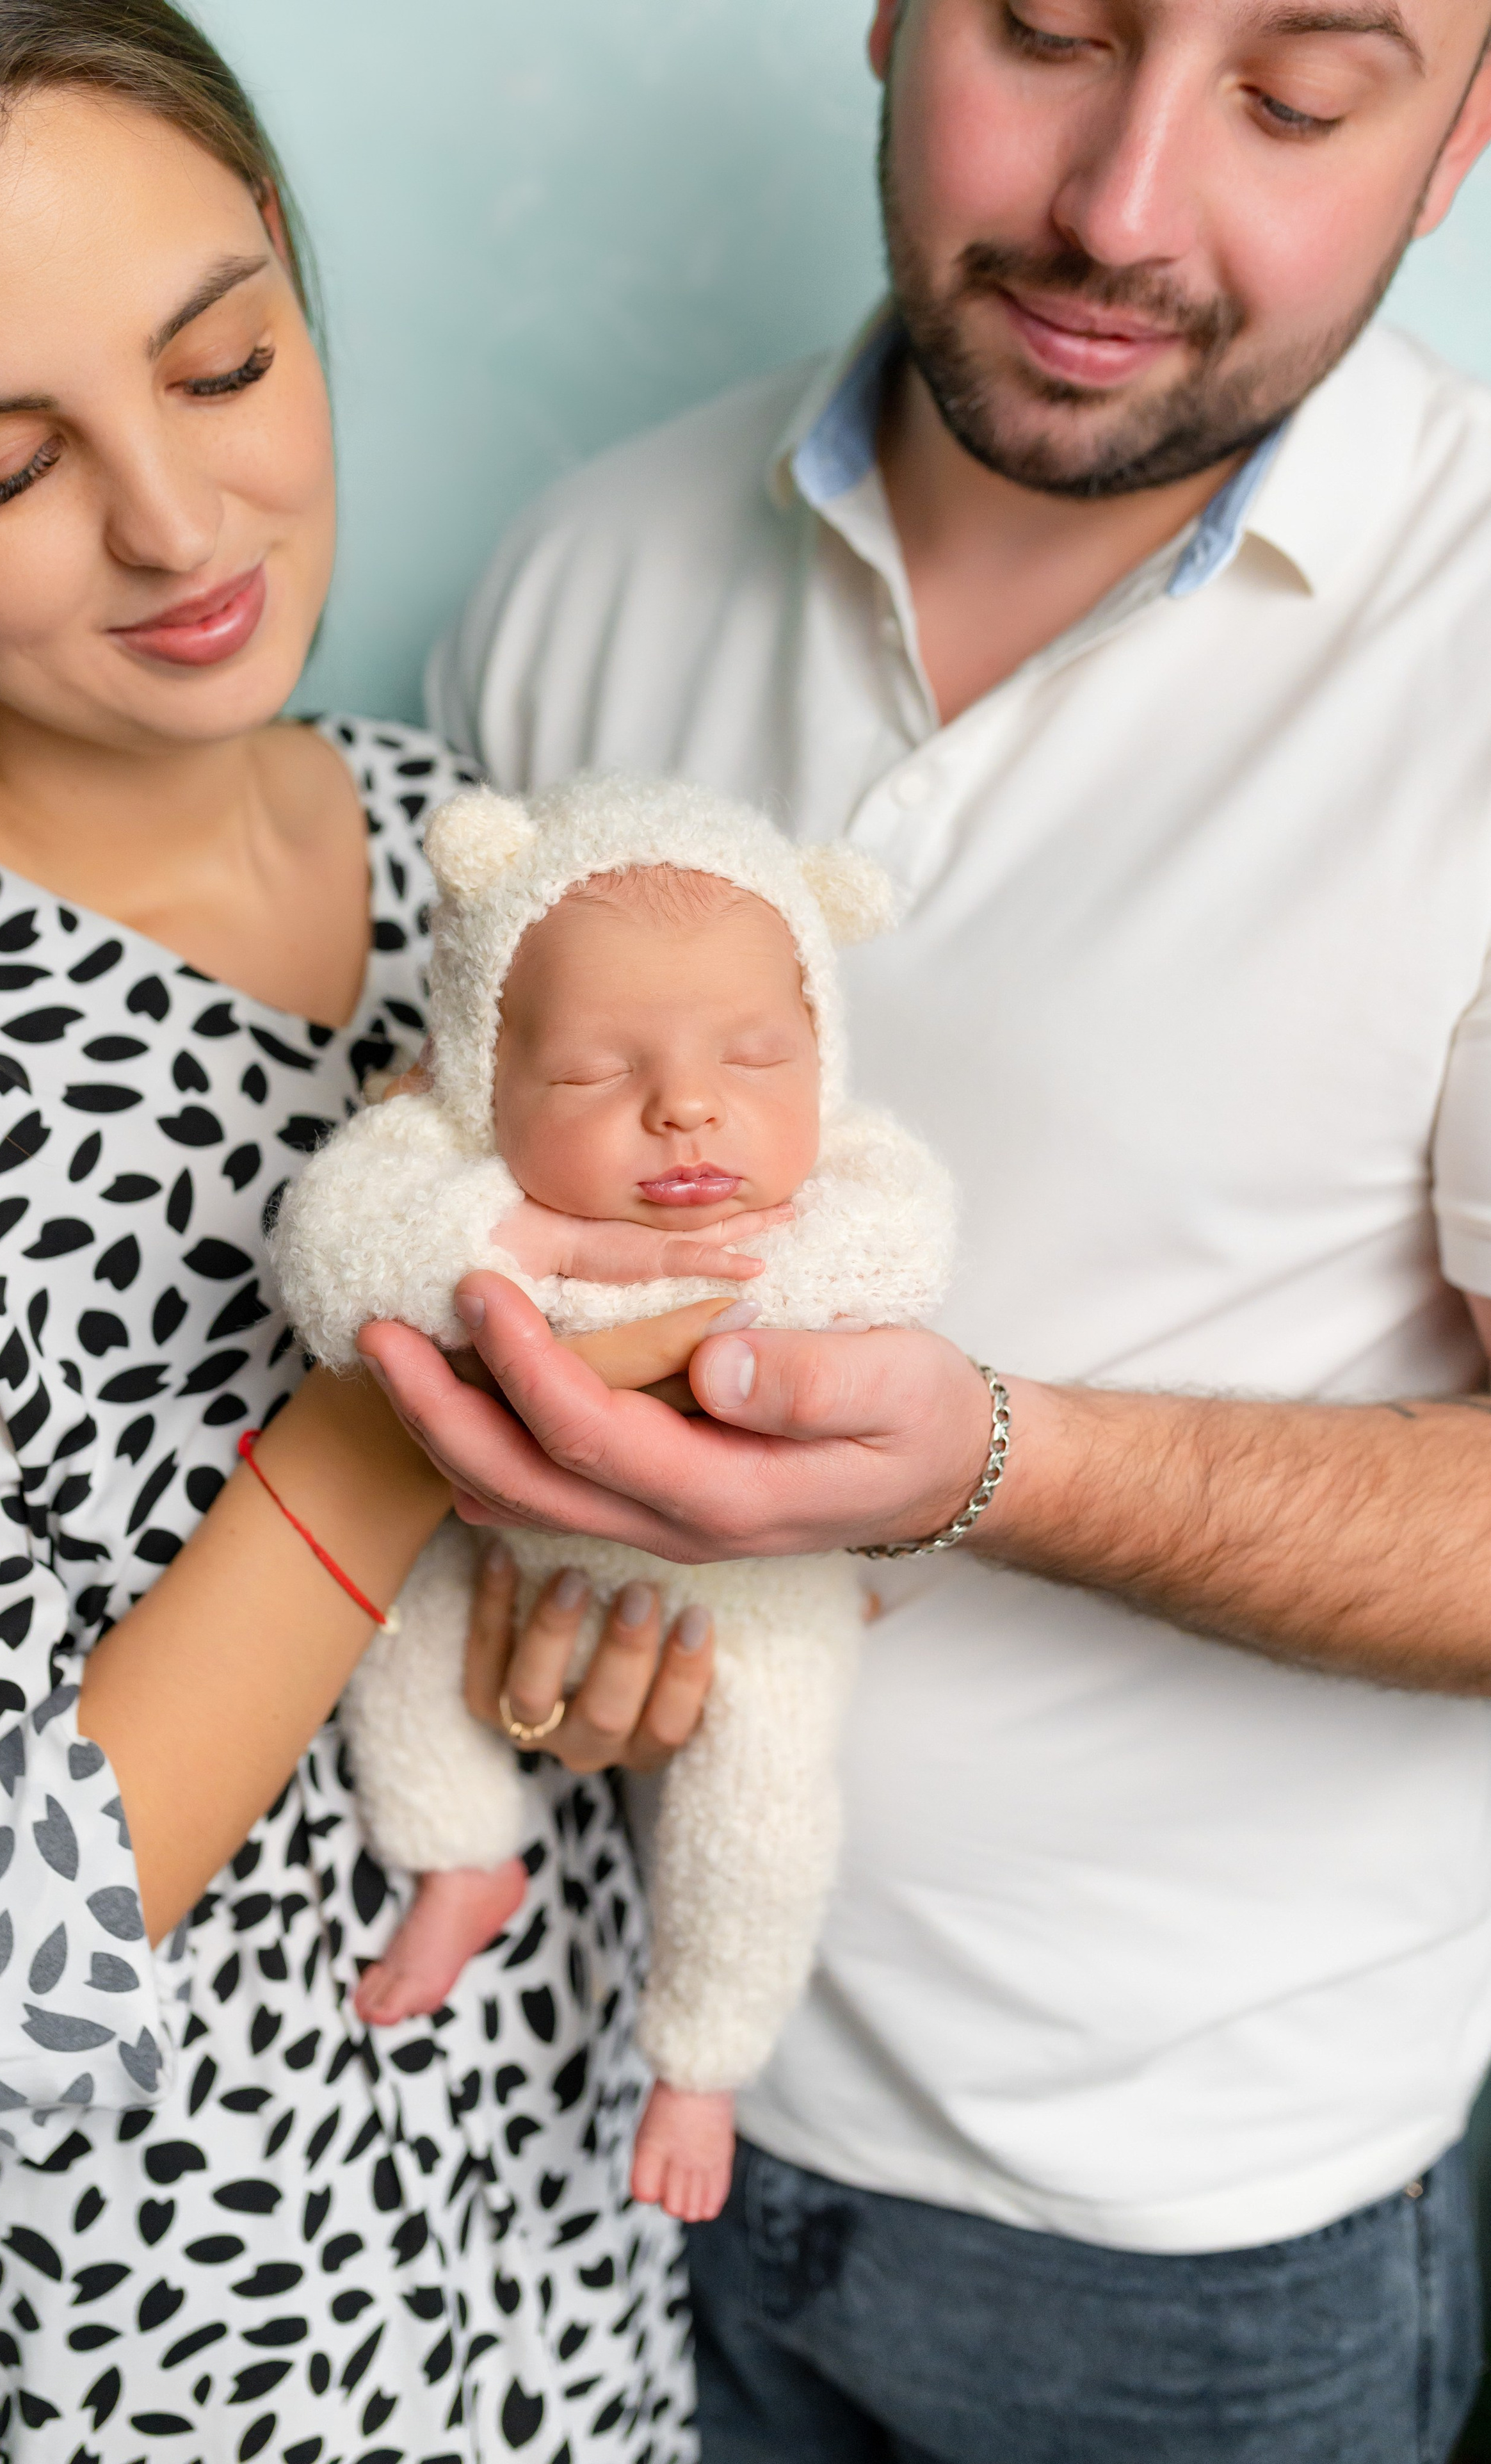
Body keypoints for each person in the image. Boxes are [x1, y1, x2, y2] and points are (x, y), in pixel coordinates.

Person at [364, 0, 1491, 2454]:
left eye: (1300, 97)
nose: (1118, 201)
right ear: (881, 11)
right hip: (586, 2133)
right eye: (1052, 31)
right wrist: (549, 1584)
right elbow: (436, 1216)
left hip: (1185, 2243)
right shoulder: (585, 569)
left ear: (1467, 131)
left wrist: (996, 1460)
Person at [0, 6, 713, 2457]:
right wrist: (396, 1427)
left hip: (561, 2287)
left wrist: (618, 1628)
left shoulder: (474, 851)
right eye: (6, 466)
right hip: (179, 2370)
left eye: (224, 363)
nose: (175, 521)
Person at [268, 776, 951, 2226]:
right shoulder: (443, 1161)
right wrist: (522, 1235)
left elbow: (898, 1249)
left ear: (819, 1052)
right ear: (478, 1073)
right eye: (590, 1076)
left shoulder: (838, 1181)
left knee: (762, 1796)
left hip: (756, 1597)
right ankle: (461, 1856)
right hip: (497, 1538)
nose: (685, 1107)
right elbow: (331, 1259)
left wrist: (726, 1273)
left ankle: (702, 2058)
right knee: (389, 1634)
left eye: (755, 1057)